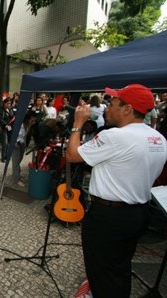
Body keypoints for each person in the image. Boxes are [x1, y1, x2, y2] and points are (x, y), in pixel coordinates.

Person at [66, 84, 167, 297]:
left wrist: (77, 124)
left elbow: (73, 155)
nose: (106, 108)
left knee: (101, 272)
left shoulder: (115, 136)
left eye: (112, 104)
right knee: (120, 267)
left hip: (108, 216)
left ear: (127, 109)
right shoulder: (159, 139)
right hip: (138, 213)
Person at [12, 111, 37, 187]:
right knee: (16, 162)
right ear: (28, 119)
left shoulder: (28, 125)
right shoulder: (21, 124)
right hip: (16, 144)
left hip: (22, 144)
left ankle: (17, 174)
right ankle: (16, 179)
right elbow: (15, 135)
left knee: (19, 159)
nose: (33, 122)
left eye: (34, 120)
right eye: (32, 120)